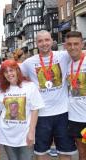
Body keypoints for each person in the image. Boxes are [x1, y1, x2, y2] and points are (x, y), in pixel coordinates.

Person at [20, 30, 77, 160]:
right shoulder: (29, 63)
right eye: (40, 41)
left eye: (46, 40)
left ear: (52, 41)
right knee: (41, 153)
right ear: (36, 43)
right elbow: (10, 71)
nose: (44, 43)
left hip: (63, 113)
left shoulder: (63, 56)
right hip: (41, 115)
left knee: (65, 152)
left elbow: (80, 53)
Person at [0, 60, 44, 160]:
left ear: (17, 70)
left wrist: (31, 132)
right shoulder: (1, 89)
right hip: (7, 135)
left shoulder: (30, 86)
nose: (9, 74)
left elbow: (35, 109)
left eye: (11, 70)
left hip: (24, 135)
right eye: (6, 72)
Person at [64, 31, 86, 160]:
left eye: (76, 44)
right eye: (70, 44)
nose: (73, 47)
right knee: (82, 152)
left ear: (82, 44)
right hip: (75, 117)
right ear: (65, 46)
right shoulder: (66, 64)